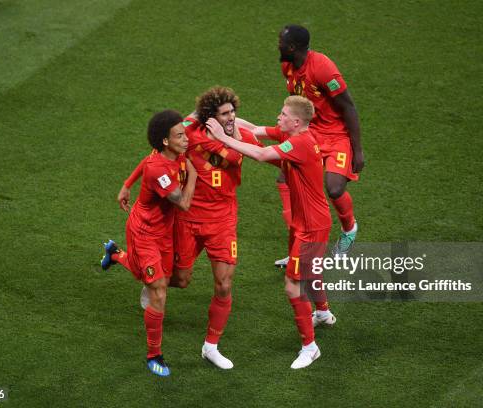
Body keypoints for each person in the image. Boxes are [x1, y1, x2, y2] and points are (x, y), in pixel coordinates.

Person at [207, 95, 331, 369]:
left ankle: (310, 348)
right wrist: (225, 118)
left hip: (312, 228)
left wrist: (223, 138)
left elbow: (262, 154)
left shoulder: (299, 143)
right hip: (304, 223)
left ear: (296, 121)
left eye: (283, 114)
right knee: (309, 271)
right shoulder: (296, 133)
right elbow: (256, 130)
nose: (278, 117)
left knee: (293, 285)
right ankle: (323, 313)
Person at [151, 86, 261, 370]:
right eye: (224, 113)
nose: (231, 117)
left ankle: (211, 346)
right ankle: (145, 277)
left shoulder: (240, 138)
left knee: (224, 283)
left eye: (233, 111)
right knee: (181, 279)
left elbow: (261, 152)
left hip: (223, 220)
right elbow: (162, 145)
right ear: (209, 116)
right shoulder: (188, 132)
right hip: (188, 218)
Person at [241, 24, 364, 272]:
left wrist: (358, 150)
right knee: (286, 177)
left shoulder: (323, 69)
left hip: (336, 135)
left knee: (334, 187)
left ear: (293, 47)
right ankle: (298, 247)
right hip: (311, 133)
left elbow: (348, 107)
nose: (278, 45)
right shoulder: (288, 67)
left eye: (281, 42)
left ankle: (349, 230)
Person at [100, 110, 197, 377]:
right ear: (165, 141)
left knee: (165, 279)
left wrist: (127, 184)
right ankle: (154, 354)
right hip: (144, 233)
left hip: (163, 231)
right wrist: (194, 174)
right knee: (158, 289)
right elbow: (184, 203)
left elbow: (145, 160)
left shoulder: (165, 154)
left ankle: (116, 253)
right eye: (179, 135)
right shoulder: (160, 170)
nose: (186, 138)